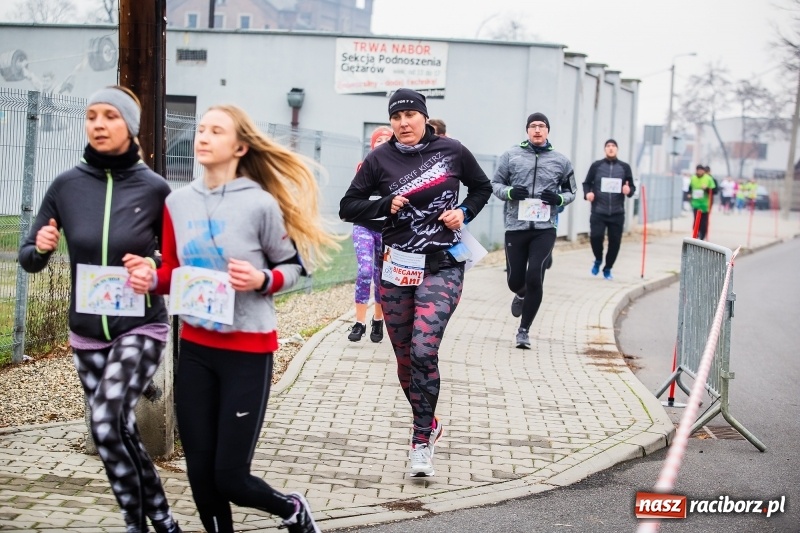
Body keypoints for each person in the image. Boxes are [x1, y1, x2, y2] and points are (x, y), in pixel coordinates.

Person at [126, 104, 337, 533]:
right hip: (198, 350)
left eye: (215, 130)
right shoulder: (177, 202)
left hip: (247, 352)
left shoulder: (261, 204)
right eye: (200, 129)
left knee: (230, 477)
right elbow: (171, 272)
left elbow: (295, 268)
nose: (202, 136)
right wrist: (150, 278)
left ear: (239, 146)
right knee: (200, 476)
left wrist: (261, 277)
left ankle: (292, 510)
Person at [18, 86, 182, 533]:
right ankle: (156, 520)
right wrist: (42, 247)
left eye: (110, 116)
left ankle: (144, 521)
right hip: (87, 332)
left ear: (128, 126)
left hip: (141, 325)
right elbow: (29, 256)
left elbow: (177, 258)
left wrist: (151, 264)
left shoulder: (155, 189)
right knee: (120, 431)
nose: (98, 124)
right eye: (92, 116)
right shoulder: (67, 185)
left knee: (106, 422)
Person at [339, 88, 492, 478]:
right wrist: (382, 205)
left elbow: (482, 187)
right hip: (396, 268)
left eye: (410, 114)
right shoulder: (379, 159)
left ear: (424, 117)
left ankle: (420, 439)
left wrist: (463, 211)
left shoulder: (452, 151)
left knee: (424, 348)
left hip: (442, 263)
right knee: (406, 357)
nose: (404, 123)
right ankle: (429, 420)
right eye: (396, 117)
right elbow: (348, 206)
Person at [491, 112, 577, 349]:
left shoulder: (561, 161)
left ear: (548, 131)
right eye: (533, 126)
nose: (537, 130)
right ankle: (519, 294)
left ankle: (524, 331)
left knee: (535, 274)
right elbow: (495, 184)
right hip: (515, 226)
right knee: (515, 280)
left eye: (542, 126)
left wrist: (558, 199)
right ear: (527, 130)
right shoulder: (511, 156)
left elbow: (572, 192)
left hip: (544, 228)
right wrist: (509, 193)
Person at [348, 125, 393, 342]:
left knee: (381, 277)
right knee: (365, 271)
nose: (382, 142)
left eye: (387, 139)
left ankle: (378, 321)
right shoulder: (363, 167)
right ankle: (359, 323)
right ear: (372, 144)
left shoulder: (400, 168)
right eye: (379, 140)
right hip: (364, 226)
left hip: (387, 231)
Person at [582, 138, 636, 281]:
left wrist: (628, 190)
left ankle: (608, 268)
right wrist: (588, 193)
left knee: (615, 242)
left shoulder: (624, 167)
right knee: (595, 237)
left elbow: (632, 187)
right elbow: (586, 183)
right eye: (608, 146)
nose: (611, 148)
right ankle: (598, 259)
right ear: (605, 149)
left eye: (613, 146)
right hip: (598, 210)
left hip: (617, 212)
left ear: (617, 149)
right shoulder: (596, 166)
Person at [689, 164, 715, 240]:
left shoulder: (708, 178)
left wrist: (706, 189)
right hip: (696, 203)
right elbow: (690, 188)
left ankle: (702, 236)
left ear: (703, 171)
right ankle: (695, 235)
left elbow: (714, 190)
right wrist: (689, 194)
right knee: (696, 220)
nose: (700, 172)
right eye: (698, 170)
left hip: (705, 204)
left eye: (701, 170)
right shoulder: (693, 178)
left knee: (704, 222)